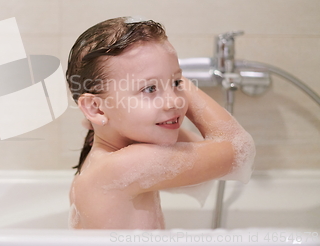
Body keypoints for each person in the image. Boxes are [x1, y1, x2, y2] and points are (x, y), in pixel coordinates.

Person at [66, 17, 255, 229]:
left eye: (176, 83)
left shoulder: (106, 155)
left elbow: (194, 150)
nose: (175, 101)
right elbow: (238, 149)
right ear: (97, 108)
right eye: (149, 89)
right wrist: (174, 78)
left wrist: (162, 77)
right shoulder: (126, 165)